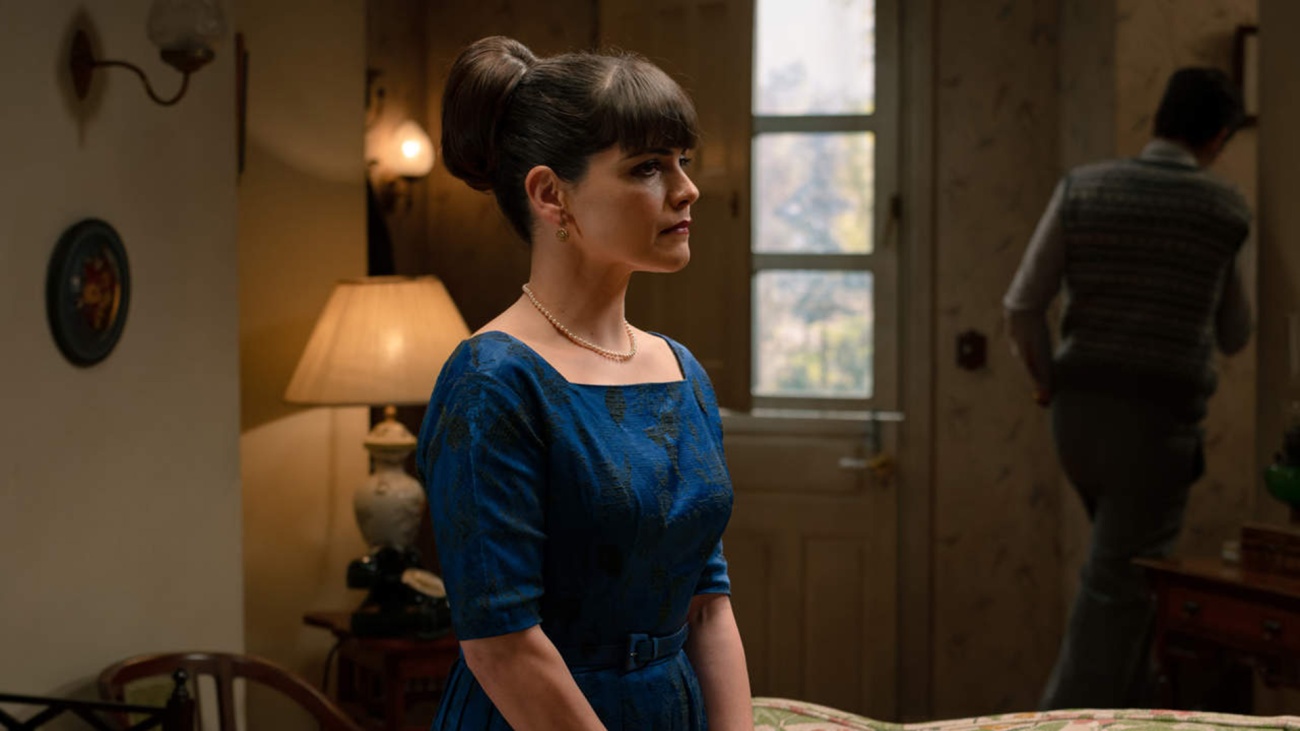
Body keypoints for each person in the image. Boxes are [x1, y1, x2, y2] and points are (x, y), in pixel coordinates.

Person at [416, 35, 753, 730]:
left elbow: (707, 604)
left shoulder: (682, 372)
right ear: (551, 194)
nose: (687, 188)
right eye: (648, 167)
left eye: (682, 161)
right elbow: (503, 647)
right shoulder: (491, 382)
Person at [1003, 67, 1253, 710]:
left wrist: (1046, 384)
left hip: (1077, 423)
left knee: (1130, 583)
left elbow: (1022, 306)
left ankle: (1133, 713)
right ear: (1219, 136)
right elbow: (1235, 334)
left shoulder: (1083, 188)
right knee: (1116, 588)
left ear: (1159, 118)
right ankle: (1056, 722)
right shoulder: (1224, 209)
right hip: (1157, 429)